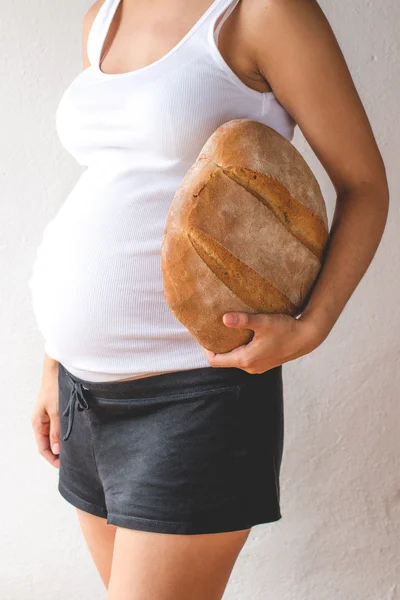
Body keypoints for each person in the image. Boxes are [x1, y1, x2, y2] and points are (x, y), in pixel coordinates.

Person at [29, 0, 389, 598]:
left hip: (193, 393)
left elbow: (365, 185)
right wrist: (53, 361)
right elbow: (118, 181)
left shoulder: (262, 13)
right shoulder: (103, 16)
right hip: (82, 395)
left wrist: (312, 326)